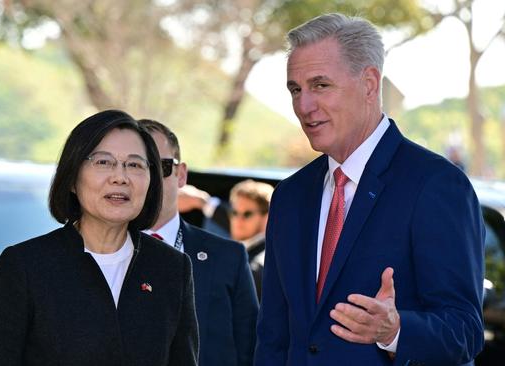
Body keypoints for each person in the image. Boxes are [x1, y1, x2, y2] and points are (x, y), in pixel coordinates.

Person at [255, 13, 485, 366]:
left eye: (320, 85)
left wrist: (394, 331)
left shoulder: (436, 185)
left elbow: (464, 332)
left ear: (369, 84)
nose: (304, 106)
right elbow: (273, 338)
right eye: (295, 89)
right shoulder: (290, 196)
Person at [0, 110, 198, 366]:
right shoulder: (25, 266)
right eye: (103, 162)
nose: (120, 177)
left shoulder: (171, 269)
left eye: (135, 165)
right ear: (72, 178)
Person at [139, 118, 258, 366]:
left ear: (181, 174)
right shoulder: (98, 252)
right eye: (136, 166)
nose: (149, 178)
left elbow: (252, 351)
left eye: (160, 166)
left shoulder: (229, 257)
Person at [228, 179, 274, 298]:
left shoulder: (260, 265)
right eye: (234, 212)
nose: (238, 220)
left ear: (267, 217)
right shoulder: (239, 254)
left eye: (247, 214)